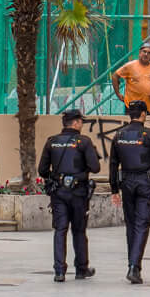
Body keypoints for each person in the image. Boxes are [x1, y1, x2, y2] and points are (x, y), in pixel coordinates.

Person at [107, 100, 150, 284]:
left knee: (131, 224)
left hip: (126, 182)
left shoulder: (119, 135)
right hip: (145, 182)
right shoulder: (149, 135)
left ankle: (132, 264)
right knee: (142, 224)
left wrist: (114, 189)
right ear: (143, 114)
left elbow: (113, 164)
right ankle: (134, 267)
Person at [37, 108, 101, 282]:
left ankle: (59, 271)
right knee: (79, 230)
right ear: (76, 123)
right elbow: (95, 168)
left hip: (58, 192)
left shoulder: (52, 141)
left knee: (60, 230)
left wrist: (57, 177)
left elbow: (42, 170)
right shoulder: (84, 142)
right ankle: (81, 269)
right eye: (81, 122)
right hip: (78, 192)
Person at [110, 44, 150, 114]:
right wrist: (118, 94)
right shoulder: (130, 66)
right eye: (144, 51)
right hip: (132, 107)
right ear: (140, 53)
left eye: (149, 53)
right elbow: (115, 76)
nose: (146, 54)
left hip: (149, 108)